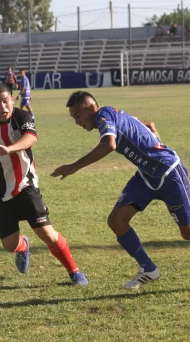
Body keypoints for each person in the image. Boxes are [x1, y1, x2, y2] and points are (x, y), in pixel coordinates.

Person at [51, 91, 190, 289]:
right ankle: (148, 269)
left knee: (187, 233)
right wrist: (153, 138)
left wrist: (73, 166)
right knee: (116, 221)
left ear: (91, 108)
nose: (77, 122)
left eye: (78, 116)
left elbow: (109, 144)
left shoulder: (103, 115)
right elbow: (148, 125)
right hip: (146, 175)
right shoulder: (112, 114)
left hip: (168, 173)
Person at [0, 83, 88, 285]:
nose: (2, 107)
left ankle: (74, 271)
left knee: (47, 234)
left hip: (25, 185)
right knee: (10, 245)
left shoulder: (22, 117)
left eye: (5, 101)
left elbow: (30, 138)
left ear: (12, 99)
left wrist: (9, 149)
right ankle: (23, 246)